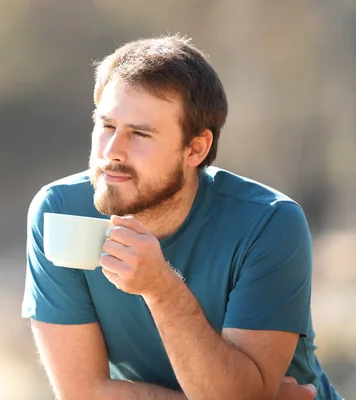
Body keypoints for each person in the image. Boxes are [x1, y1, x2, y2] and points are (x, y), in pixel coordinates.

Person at [21, 34, 344, 400]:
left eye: (139, 134)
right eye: (106, 126)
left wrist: (161, 289)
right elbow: (83, 392)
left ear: (195, 148)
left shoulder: (268, 224)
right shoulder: (59, 213)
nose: (111, 152)